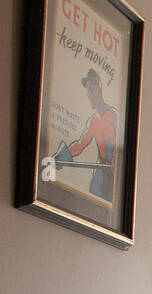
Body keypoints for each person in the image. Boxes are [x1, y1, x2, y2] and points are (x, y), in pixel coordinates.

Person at [55, 70, 117, 200]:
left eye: (90, 90)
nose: (88, 95)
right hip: (101, 172)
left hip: (114, 173)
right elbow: (79, 145)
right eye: (87, 91)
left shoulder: (112, 115)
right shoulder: (94, 121)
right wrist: (59, 159)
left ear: (97, 89)